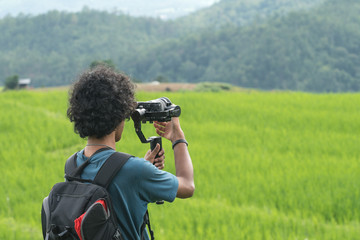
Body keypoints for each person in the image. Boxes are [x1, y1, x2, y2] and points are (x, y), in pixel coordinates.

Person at [66, 65, 195, 239]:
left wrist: (140, 169)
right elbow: (187, 186)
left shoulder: (72, 165)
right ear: (119, 115)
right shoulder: (134, 171)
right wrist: (178, 137)